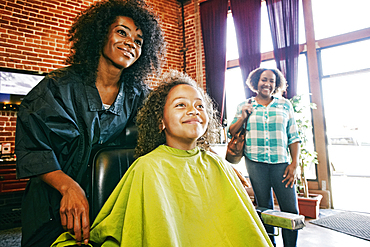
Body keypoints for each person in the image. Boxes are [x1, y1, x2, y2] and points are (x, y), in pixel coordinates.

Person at [51, 70, 273, 247]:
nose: (193, 111)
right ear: (161, 121)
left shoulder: (217, 165)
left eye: (199, 106)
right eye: (180, 105)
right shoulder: (147, 167)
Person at [15, 0, 165, 246]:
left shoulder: (141, 97)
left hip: (109, 203)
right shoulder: (58, 86)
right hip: (53, 203)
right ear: (100, 34)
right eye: (121, 32)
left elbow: (169, 133)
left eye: (138, 41)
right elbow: (34, 146)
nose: (130, 43)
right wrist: (68, 188)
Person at [229, 68, 301, 247]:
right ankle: (270, 244)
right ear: (256, 82)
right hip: (255, 163)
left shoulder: (285, 105)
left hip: (281, 164)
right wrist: (243, 115)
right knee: (264, 209)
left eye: (271, 81)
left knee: (290, 209)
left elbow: (293, 136)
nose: (267, 84)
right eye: (264, 80)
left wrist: (294, 163)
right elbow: (232, 131)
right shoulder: (245, 105)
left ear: (276, 85)